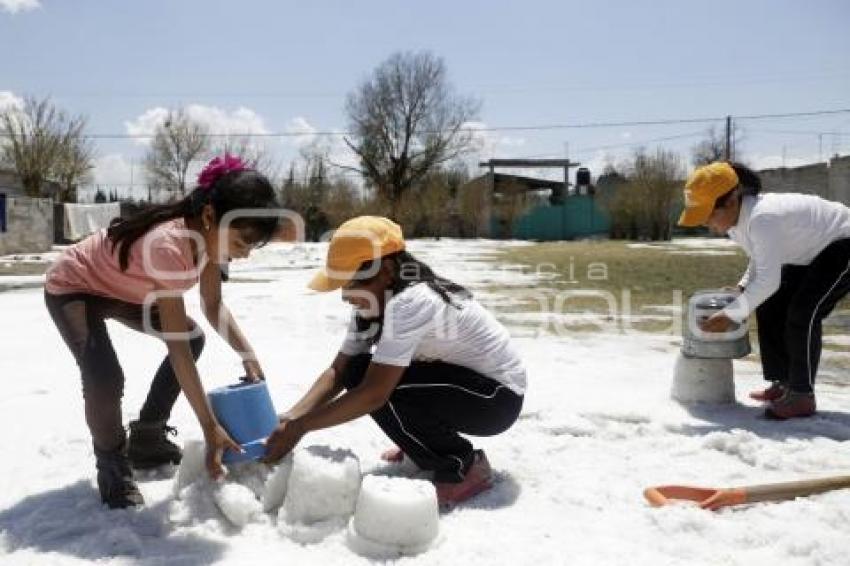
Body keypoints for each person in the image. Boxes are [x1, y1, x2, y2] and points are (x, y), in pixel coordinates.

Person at [45, 155, 280, 508]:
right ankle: (113, 467)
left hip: (126, 292)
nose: (243, 255)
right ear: (209, 216)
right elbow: (178, 350)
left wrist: (248, 355)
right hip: (75, 286)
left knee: (194, 335)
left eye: (250, 247)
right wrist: (208, 426)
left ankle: (148, 437)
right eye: (241, 243)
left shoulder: (212, 241)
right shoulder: (168, 246)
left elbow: (212, 305)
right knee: (105, 376)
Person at [263, 216, 526, 507]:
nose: (346, 296)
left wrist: (302, 427)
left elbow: (374, 394)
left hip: (495, 400)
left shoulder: (413, 301)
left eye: (350, 283)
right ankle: (423, 445)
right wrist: (292, 417)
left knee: (379, 389)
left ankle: (461, 466)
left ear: (386, 270)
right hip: (462, 385)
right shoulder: (375, 303)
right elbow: (339, 370)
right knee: (358, 372)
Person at [678, 161, 850, 419]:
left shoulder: (763, 217)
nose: (706, 222)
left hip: (842, 244)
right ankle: (783, 383)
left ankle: (802, 395)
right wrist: (742, 287)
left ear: (732, 200)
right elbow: (761, 261)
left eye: (708, 214)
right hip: (812, 252)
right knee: (770, 303)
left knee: (803, 314)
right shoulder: (737, 225)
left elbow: (768, 280)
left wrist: (731, 314)